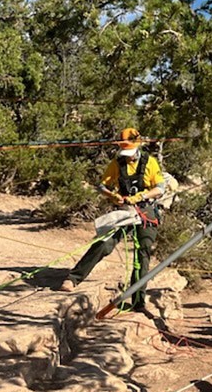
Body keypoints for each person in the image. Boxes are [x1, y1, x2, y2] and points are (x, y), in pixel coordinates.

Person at [59, 128, 165, 311]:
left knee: (143, 251)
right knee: (104, 243)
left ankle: (138, 300)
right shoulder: (117, 164)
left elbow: (160, 188)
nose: (128, 157)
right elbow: (102, 186)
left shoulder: (150, 163)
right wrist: (112, 196)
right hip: (125, 210)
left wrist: (140, 197)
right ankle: (73, 278)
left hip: (146, 210)